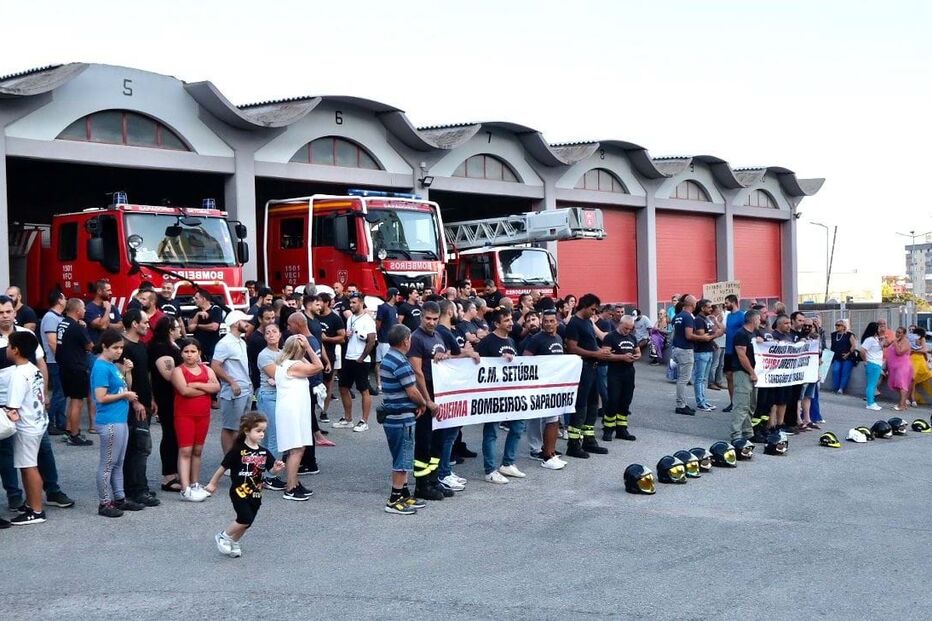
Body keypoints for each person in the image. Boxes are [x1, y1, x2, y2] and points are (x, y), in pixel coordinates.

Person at [205, 413, 285, 557]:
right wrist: (212, 483)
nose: (262, 434)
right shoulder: (237, 450)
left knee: (248, 522)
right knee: (244, 518)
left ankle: (234, 541)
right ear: (247, 431)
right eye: (258, 431)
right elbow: (223, 468)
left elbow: (271, 470)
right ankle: (224, 536)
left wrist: (276, 469)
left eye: (263, 431)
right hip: (239, 491)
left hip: (256, 492)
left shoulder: (264, 452)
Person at [91, 329, 144, 518]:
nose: (119, 351)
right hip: (110, 420)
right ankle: (105, 502)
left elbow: (125, 385)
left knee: (118, 462)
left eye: (121, 347)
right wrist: (125, 395)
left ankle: (119, 498)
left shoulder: (112, 365)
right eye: (115, 348)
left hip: (119, 419)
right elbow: (101, 397)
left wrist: (127, 372)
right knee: (108, 464)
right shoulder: (101, 367)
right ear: (105, 346)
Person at [378, 324, 430, 515]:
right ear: (405, 340)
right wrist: (423, 403)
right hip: (401, 417)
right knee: (402, 459)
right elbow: (412, 390)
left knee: (403, 457)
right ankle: (394, 499)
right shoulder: (400, 362)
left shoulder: (389, 358)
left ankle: (404, 494)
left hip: (393, 415)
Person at [407, 301, 453, 499]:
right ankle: (422, 485)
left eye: (435, 319)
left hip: (440, 393)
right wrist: (427, 401)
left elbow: (446, 356)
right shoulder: (416, 338)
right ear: (421, 317)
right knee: (424, 442)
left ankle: (434, 480)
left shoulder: (438, 335)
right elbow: (417, 372)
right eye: (428, 318)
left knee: (438, 441)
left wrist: (445, 356)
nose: (432, 322)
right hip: (425, 396)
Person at [476, 308, 528, 483]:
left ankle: (508, 463)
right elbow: (475, 366)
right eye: (506, 320)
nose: (511, 323)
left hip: (512, 394)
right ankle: (490, 470)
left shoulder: (512, 341)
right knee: (491, 432)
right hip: (493, 396)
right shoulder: (487, 342)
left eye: (511, 319)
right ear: (497, 324)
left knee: (518, 427)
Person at [3, 331, 47, 525]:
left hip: (26, 426)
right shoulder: (32, 368)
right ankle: (31, 504)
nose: (6, 349)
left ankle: (36, 510)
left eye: (9, 346)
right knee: (27, 465)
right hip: (37, 421)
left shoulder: (18, 375)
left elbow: (13, 407)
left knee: (29, 467)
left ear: (16, 350)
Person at [171, 338, 220, 501]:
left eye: (193, 351)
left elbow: (216, 387)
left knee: (198, 450)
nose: (190, 355)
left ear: (199, 353)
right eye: (186, 351)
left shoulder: (206, 369)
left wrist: (197, 385)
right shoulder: (178, 370)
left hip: (203, 415)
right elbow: (184, 391)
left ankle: (195, 483)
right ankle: (185, 487)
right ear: (182, 353)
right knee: (185, 450)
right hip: (184, 415)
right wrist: (206, 388)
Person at [274, 334, 323, 501]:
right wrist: (309, 348)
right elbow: (318, 366)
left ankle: (294, 482)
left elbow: (311, 367)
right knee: (296, 448)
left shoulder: (289, 363)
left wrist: (304, 352)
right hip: (292, 411)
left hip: (295, 409)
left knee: (297, 447)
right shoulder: (293, 365)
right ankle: (290, 487)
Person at [119, 309, 159, 507]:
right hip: (133, 406)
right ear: (134, 323)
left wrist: (150, 397)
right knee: (139, 447)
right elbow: (122, 378)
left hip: (144, 403)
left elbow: (144, 375)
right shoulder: (123, 348)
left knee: (140, 446)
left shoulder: (141, 345)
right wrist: (134, 402)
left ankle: (137, 486)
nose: (147, 325)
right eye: (144, 322)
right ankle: (137, 490)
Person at [564, 293, 611, 458]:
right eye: (592, 309)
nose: (594, 312)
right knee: (581, 405)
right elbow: (572, 348)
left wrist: (601, 352)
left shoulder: (587, 322)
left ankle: (589, 440)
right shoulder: (574, 324)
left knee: (592, 404)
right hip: (582, 368)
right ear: (584, 306)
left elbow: (591, 344)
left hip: (592, 367)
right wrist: (595, 354)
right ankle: (573, 444)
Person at [522, 308, 569, 470]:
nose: (548, 324)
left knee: (552, 418)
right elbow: (526, 359)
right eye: (546, 321)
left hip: (554, 385)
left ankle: (549, 450)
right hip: (538, 385)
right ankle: (536, 449)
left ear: (557, 322)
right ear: (542, 322)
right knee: (535, 418)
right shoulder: (536, 339)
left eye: (551, 321)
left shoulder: (558, 337)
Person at [211, 310, 254, 455]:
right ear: (236, 323)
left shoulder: (240, 341)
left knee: (241, 427)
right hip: (233, 391)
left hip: (244, 389)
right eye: (244, 321)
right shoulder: (225, 343)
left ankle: (236, 459)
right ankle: (230, 461)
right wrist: (232, 382)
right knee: (231, 427)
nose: (247, 324)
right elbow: (215, 365)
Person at [148, 316, 183, 493]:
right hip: (167, 397)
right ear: (170, 329)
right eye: (177, 326)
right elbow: (169, 375)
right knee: (170, 434)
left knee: (175, 434)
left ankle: (175, 471)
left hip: (176, 396)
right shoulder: (161, 348)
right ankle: (168, 476)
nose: (180, 329)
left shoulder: (172, 346)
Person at [56, 298, 96, 444]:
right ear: (78, 310)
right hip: (76, 367)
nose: (85, 310)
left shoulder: (63, 323)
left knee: (72, 400)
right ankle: (75, 434)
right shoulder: (77, 327)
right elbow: (90, 346)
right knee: (77, 402)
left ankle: (69, 430)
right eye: (84, 308)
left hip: (64, 366)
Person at [336, 293, 376, 431]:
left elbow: (372, 340)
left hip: (361, 359)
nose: (351, 305)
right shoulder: (351, 318)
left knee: (363, 389)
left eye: (354, 302)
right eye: (350, 303)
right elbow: (349, 336)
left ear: (361, 303)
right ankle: (348, 419)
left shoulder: (368, 320)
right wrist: (347, 336)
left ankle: (364, 421)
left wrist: (362, 357)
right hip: (349, 357)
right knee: (343, 387)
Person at [255, 323, 286, 490]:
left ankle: (265, 473)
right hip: (268, 397)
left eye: (274, 331)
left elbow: (287, 373)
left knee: (271, 438)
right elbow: (278, 375)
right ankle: (270, 476)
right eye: (268, 332)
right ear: (264, 337)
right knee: (272, 437)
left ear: (280, 334)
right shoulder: (264, 355)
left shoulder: (282, 353)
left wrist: (281, 378)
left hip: (279, 396)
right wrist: (281, 378)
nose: (271, 334)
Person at [602, 315, 640, 442]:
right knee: (613, 400)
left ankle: (621, 429)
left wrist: (636, 356)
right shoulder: (610, 337)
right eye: (625, 328)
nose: (627, 331)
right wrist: (621, 357)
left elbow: (638, 352)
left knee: (625, 401)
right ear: (620, 324)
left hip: (629, 372)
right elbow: (605, 355)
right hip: (615, 373)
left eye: (630, 329)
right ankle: (608, 429)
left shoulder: (632, 337)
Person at [731, 309, 761, 443]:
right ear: (753, 320)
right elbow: (741, 355)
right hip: (743, 373)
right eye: (759, 319)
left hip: (753, 373)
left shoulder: (754, 333)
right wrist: (751, 372)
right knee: (741, 405)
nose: (760, 322)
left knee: (751, 405)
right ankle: (736, 434)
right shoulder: (741, 334)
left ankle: (748, 432)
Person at [40, 290, 67, 435]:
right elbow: (52, 342)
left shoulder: (58, 316)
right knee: (59, 393)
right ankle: (50, 423)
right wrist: (64, 358)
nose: (66, 300)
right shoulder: (50, 317)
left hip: (58, 360)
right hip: (55, 360)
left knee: (61, 393)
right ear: (59, 301)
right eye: (64, 298)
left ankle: (61, 422)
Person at [317, 292, 345, 421]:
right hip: (314, 355)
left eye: (320, 302)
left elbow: (342, 337)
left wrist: (327, 338)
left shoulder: (335, 318)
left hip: (329, 354)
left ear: (327, 303)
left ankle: (324, 411)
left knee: (328, 384)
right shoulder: (314, 316)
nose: (317, 305)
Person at [691, 298, 722, 412]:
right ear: (702, 307)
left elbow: (718, 330)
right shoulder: (699, 320)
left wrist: (713, 337)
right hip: (701, 352)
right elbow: (702, 336)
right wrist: (715, 335)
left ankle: (704, 400)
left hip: (708, 351)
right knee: (699, 379)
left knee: (704, 379)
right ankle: (700, 402)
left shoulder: (707, 319)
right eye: (708, 307)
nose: (711, 309)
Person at [374, 287, 400, 394]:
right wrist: (377, 335)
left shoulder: (395, 308)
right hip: (383, 339)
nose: (399, 297)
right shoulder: (383, 307)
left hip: (393, 340)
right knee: (380, 362)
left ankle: (389, 383)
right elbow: (378, 323)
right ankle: (379, 384)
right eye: (397, 295)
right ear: (393, 295)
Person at [721, 294, 744, 413]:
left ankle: (740, 403)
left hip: (737, 350)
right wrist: (715, 321)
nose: (725, 305)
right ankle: (732, 402)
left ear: (734, 302)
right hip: (728, 350)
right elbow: (725, 330)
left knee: (739, 377)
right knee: (729, 377)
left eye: (727, 302)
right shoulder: (728, 316)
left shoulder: (742, 315)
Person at [186, 290, 223, 362]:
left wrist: (197, 326)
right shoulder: (195, 311)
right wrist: (197, 314)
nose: (195, 300)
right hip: (198, 348)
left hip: (211, 347)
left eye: (196, 298)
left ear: (203, 299)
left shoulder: (215, 309)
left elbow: (214, 327)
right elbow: (190, 328)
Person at [85, 279, 122, 344]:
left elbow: (121, 327)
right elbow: (102, 326)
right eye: (108, 290)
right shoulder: (89, 308)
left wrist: (107, 324)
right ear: (99, 291)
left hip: (112, 347)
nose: (111, 293)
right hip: (98, 349)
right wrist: (107, 310)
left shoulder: (113, 307)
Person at [859, 322, 885, 411]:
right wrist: (865, 361)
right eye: (878, 328)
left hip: (876, 363)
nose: (880, 330)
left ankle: (871, 402)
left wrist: (882, 340)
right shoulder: (870, 339)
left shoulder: (876, 339)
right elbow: (862, 350)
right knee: (871, 385)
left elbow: (881, 348)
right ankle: (870, 403)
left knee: (873, 385)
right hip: (872, 363)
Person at [886, 327, 914, 412]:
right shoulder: (896, 341)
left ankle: (902, 405)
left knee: (902, 385)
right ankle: (903, 403)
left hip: (903, 366)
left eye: (900, 332)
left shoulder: (906, 342)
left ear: (904, 334)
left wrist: (894, 342)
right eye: (897, 332)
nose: (897, 334)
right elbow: (886, 346)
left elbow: (899, 352)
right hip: (895, 367)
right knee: (896, 385)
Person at [829, 319, 858, 394]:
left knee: (845, 372)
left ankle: (841, 388)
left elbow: (854, 345)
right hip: (837, 356)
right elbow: (832, 346)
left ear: (843, 326)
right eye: (836, 325)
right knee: (835, 370)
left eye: (838, 325)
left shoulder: (849, 334)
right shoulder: (833, 334)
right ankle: (835, 388)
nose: (837, 326)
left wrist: (848, 354)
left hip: (848, 357)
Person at [910, 327, 931, 405]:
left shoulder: (921, 339)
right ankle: (912, 399)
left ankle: (912, 399)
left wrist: (914, 350)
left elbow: (924, 350)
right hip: (915, 359)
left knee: (913, 379)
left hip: (918, 359)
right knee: (912, 379)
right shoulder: (912, 339)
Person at [708, 304, 727, 390]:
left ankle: (719, 381)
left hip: (723, 342)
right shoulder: (709, 318)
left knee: (721, 364)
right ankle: (711, 382)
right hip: (716, 343)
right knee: (714, 363)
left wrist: (719, 321)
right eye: (718, 307)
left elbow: (723, 329)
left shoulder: (721, 318)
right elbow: (715, 330)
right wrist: (717, 321)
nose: (720, 309)